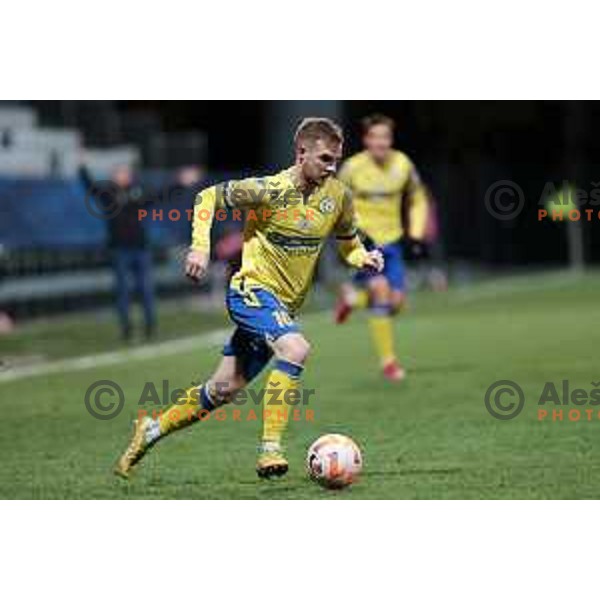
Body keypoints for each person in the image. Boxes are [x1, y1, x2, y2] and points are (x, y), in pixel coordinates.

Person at [115, 117, 383, 480]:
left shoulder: (338, 196)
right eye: (324, 159)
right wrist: (199, 247)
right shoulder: (267, 190)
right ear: (301, 153)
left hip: (281, 308)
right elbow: (206, 196)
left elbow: (349, 242)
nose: (331, 167)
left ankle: (151, 430)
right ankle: (270, 449)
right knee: (296, 348)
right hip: (250, 291)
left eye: (336, 159)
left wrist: (362, 257)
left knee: (224, 389)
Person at [334, 114, 428, 382]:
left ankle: (353, 299)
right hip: (364, 242)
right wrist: (347, 233)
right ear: (366, 140)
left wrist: (417, 234)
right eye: (374, 137)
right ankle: (389, 363)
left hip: (393, 242)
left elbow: (418, 197)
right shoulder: (352, 168)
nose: (380, 142)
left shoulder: (403, 164)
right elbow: (335, 200)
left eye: (384, 137)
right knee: (382, 292)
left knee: (396, 304)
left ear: (391, 139)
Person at [80, 162, 157, 341]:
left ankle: (150, 326)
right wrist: (82, 167)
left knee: (145, 289)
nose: (122, 176)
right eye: (118, 173)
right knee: (123, 292)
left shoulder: (138, 192)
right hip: (120, 250)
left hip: (140, 248)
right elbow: (90, 187)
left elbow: (158, 196)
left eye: (124, 173)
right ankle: (126, 328)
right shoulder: (109, 194)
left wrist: (180, 183)